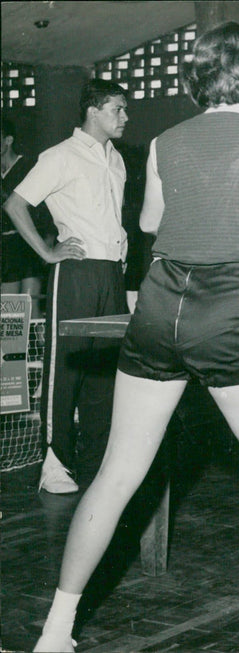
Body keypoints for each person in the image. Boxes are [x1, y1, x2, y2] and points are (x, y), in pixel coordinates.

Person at [31, 22, 239, 653]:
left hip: (160, 308)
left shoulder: (162, 142)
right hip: (233, 312)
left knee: (114, 475)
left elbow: (150, 221)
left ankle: (54, 634)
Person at [4, 80, 131, 494]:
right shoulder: (60, 156)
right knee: (67, 366)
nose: (125, 117)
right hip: (75, 272)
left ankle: (94, 461)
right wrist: (46, 252)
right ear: (93, 111)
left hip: (112, 272)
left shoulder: (117, 161)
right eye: (117, 109)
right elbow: (15, 204)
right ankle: (54, 463)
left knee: (103, 370)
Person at [1, 119, 53, 318]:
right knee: (9, 311)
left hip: (27, 244)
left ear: (8, 140)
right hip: (5, 250)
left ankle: (34, 347)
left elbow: (46, 211)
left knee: (29, 308)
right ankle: (9, 349)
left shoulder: (29, 167)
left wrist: (47, 240)